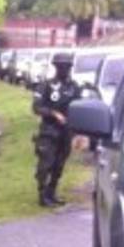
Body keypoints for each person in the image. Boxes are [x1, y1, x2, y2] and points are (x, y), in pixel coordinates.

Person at [32, 53, 83, 207]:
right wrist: (54, 114)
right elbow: (36, 107)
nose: (64, 69)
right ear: (56, 67)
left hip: (66, 132)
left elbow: (79, 107)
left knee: (59, 165)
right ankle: (42, 195)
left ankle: (51, 193)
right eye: (61, 66)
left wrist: (79, 131)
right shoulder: (46, 85)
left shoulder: (74, 87)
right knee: (46, 163)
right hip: (49, 131)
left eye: (67, 66)